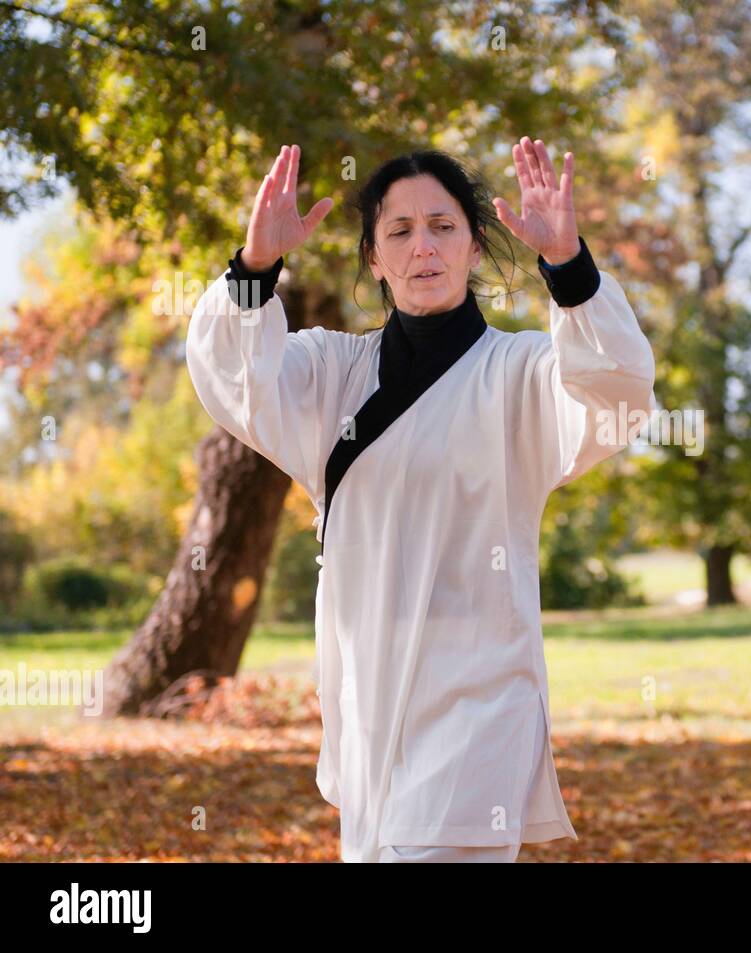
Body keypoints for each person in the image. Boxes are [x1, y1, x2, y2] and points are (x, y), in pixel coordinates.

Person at [185, 139, 657, 862]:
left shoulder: (520, 373)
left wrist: (570, 267)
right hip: (368, 705)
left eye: (443, 225)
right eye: (398, 231)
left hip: (478, 700)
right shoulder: (333, 372)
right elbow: (236, 381)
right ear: (374, 258)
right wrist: (253, 271)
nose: (422, 247)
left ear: (474, 246)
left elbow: (617, 395)